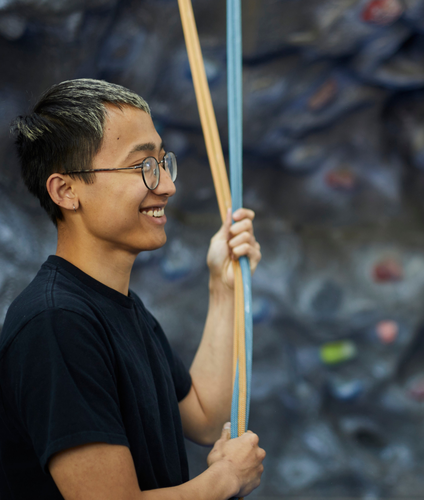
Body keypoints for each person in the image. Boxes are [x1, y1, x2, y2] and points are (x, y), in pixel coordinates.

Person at [0, 79, 265, 499]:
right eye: (143, 166)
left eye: (163, 162)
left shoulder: (120, 307)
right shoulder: (56, 323)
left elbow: (204, 417)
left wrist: (223, 286)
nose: (166, 185)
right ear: (66, 191)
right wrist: (226, 478)